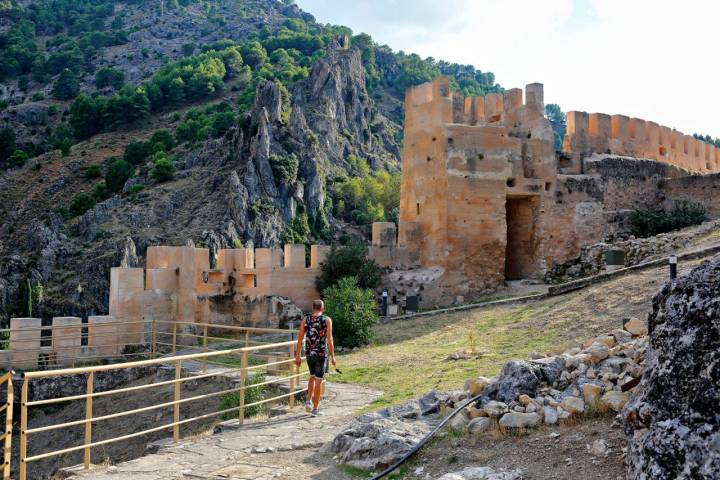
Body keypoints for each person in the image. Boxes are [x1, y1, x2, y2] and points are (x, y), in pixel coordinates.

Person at [295, 299, 336, 417]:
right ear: (322, 309)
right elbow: (330, 339)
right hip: (321, 354)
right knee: (318, 379)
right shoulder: (327, 320)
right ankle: (315, 409)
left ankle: (308, 401)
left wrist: (297, 355)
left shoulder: (306, 319)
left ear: (313, 308)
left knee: (312, 376)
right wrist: (333, 356)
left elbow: (299, 338)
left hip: (309, 353)